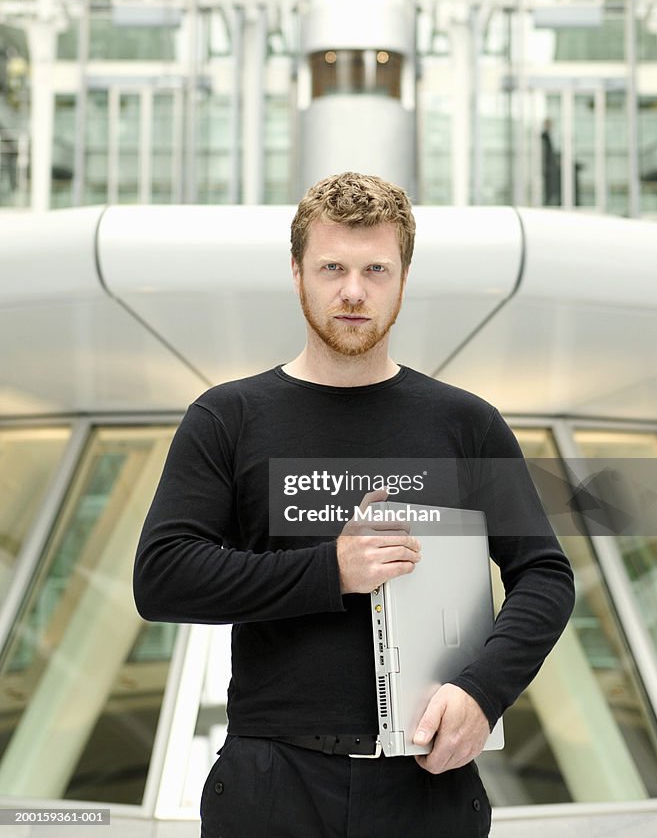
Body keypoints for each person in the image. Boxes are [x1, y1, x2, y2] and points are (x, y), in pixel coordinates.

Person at [133, 171, 575, 838]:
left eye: (375, 269)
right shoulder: (229, 417)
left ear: (402, 277)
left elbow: (544, 575)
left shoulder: (465, 424)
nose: (352, 291)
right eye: (331, 267)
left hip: (425, 783)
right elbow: (163, 577)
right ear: (296, 273)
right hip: (270, 783)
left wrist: (482, 693)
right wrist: (330, 570)